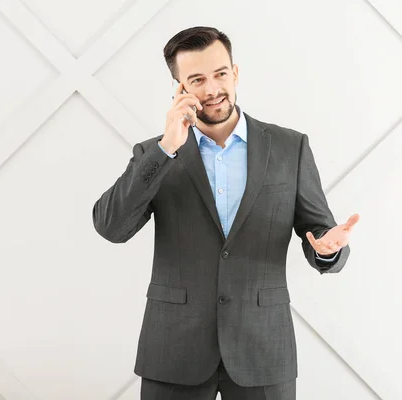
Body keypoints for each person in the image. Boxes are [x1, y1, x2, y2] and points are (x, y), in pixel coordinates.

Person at [92, 26, 360, 400]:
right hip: (174, 348)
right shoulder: (155, 153)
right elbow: (111, 226)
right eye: (197, 79)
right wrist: (167, 147)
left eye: (220, 74)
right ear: (179, 88)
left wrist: (328, 248)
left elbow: (319, 229)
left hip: (263, 348)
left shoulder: (288, 147)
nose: (213, 88)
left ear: (235, 72)